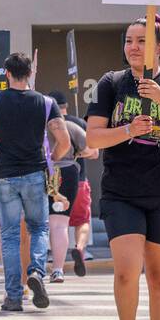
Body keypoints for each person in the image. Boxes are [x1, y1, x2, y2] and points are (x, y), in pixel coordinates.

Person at [85, 16, 160, 320]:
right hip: (121, 191)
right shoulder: (111, 83)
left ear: (158, 48)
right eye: (129, 40)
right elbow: (94, 139)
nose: (134, 47)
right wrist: (129, 129)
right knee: (127, 271)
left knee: (159, 277)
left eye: (142, 41)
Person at [0, 53, 70, 313]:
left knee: (9, 237)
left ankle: (12, 297)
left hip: (4, 176)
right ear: (30, 73)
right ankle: (35, 271)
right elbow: (64, 141)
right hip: (35, 174)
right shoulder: (46, 103)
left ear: (7, 74)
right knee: (39, 228)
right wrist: (50, 159)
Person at [48, 91, 98, 277]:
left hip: (44, 175)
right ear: (65, 106)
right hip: (74, 178)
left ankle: (40, 263)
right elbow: (94, 152)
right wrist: (75, 153)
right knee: (76, 222)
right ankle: (73, 253)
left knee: (45, 224)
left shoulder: (39, 125)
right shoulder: (74, 124)